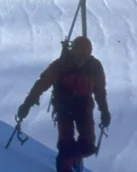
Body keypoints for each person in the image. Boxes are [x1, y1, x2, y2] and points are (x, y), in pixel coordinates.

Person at [16, 35, 111, 172]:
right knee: (66, 144)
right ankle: (64, 164)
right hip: (64, 108)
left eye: (85, 56)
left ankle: (72, 158)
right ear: (73, 52)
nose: (81, 60)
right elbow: (41, 84)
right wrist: (27, 104)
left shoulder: (94, 66)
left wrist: (104, 111)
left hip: (84, 108)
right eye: (79, 56)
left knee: (88, 146)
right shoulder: (61, 65)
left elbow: (100, 91)